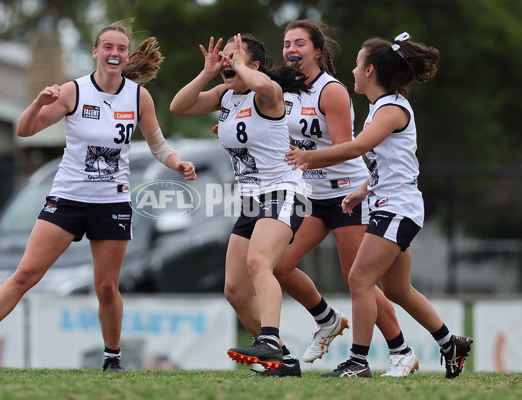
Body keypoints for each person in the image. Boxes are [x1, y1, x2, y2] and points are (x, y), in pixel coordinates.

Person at [0, 20, 196, 373]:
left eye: (121, 48)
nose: (114, 53)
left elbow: (158, 144)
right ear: (95, 52)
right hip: (68, 198)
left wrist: (177, 162)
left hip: (112, 203)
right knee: (25, 274)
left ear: (126, 55)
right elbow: (25, 130)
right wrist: (38, 103)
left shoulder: (138, 96)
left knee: (107, 287)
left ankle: (112, 358)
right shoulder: (73, 91)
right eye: (108, 47)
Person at [286, 32, 472, 379]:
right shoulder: (380, 108)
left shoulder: (391, 109)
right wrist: (362, 189)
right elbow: (393, 163)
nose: (353, 71)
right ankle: (451, 343)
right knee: (398, 289)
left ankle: (357, 362)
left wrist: (308, 156)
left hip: (397, 208)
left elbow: (355, 149)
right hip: (390, 204)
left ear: (370, 70)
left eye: (357, 64)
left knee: (358, 278)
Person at [268, 19, 418, 378]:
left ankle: (401, 350)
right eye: (287, 43)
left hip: (348, 194)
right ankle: (328, 320)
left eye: (300, 43)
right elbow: (281, 137)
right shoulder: (284, 89)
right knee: (279, 265)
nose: (291, 49)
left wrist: (306, 157)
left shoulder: (331, 91)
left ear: (317, 52)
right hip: (314, 195)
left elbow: (344, 150)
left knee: (360, 280)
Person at [170, 33, 310, 373]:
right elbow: (179, 106)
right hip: (251, 200)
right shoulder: (225, 96)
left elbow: (266, 87)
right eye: (225, 58)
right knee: (234, 290)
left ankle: (271, 341)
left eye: (235, 57)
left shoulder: (268, 95)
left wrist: (240, 66)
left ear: (254, 65)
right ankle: (285, 360)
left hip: (285, 191)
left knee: (259, 262)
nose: (227, 63)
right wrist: (206, 72)